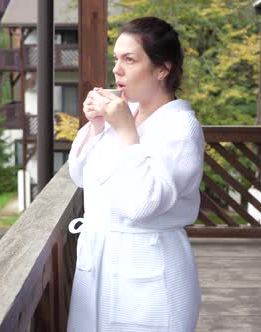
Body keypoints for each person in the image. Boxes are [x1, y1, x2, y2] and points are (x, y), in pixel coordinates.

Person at [67, 16, 204, 332]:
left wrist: (126, 131)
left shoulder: (181, 129)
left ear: (161, 69)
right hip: (98, 269)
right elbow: (81, 176)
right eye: (116, 59)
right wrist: (98, 126)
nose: (117, 70)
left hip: (149, 276)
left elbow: (141, 205)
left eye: (129, 59)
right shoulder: (125, 114)